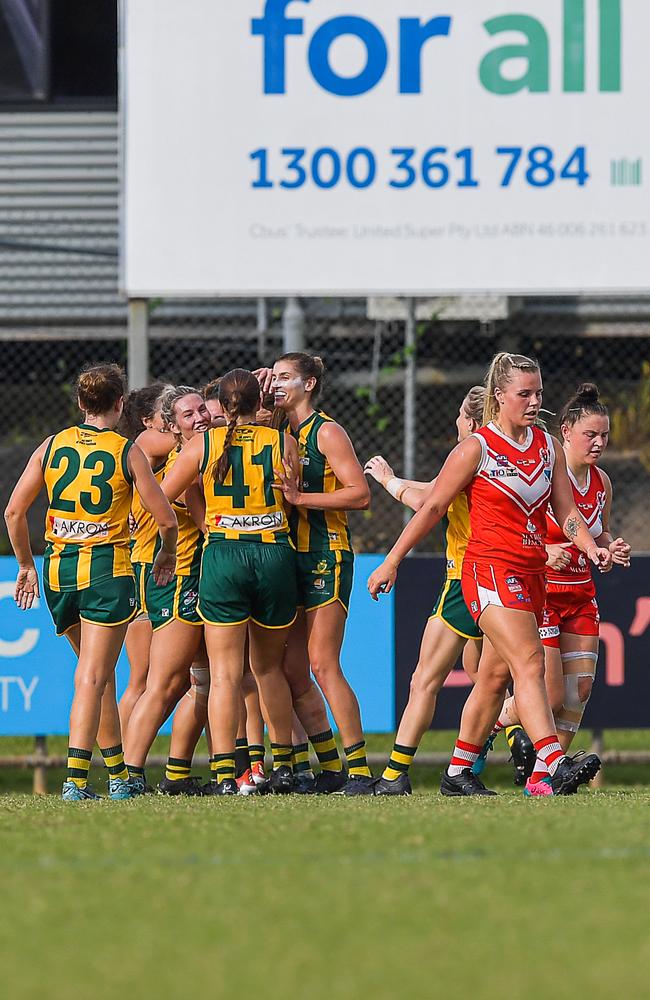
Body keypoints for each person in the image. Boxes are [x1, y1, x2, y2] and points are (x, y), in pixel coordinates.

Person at [368, 352, 610, 797]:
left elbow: (565, 509)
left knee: (496, 679)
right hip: (488, 572)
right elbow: (432, 507)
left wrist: (591, 545)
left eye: (539, 392)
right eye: (524, 393)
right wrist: (391, 560)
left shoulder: (545, 445)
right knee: (530, 663)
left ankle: (457, 772)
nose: (535, 400)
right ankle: (551, 764)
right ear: (499, 396)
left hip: (532, 572)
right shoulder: (475, 448)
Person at [4, 364, 177, 800]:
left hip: (59, 571)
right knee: (94, 675)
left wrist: (25, 564)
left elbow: (13, 512)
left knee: (97, 676)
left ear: (81, 403)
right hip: (106, 571)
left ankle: (118, 774)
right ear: (120, 405)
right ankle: (76, 781)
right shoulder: (126, 451)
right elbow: (166, 518)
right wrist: (167, 551)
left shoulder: (51, 445)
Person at [161, 368, 300, 795]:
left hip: (222, 553)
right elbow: (292, 501)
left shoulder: (204, 443)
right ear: (261, 401)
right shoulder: (283, 441)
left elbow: (164, 493)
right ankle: (284, 768)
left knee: (222, 675)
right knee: (268, 669)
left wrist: (203, 515)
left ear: (221, 402)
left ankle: (227, 775)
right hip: (274, 553)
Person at [490, 383, 631, 768]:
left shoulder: (602, 482)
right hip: (543, 594)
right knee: (551, 695)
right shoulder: (543, 473)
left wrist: (608, 546)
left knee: (580, 689)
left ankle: (546, 773)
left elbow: (597, 528)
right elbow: (515, 526)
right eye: (590, 435)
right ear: (566, 432)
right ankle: (489, 722)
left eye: (604, 435)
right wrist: (542, 550)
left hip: (581, 594)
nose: (599, 442)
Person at [273, 353, 372, 795]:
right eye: (272, 377)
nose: (277, 384)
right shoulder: (279, 432)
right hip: (286, 558)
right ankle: (329, 768)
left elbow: (360, 494)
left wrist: (302, 500)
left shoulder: (327, 431)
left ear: (309, 383)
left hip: (325, 556)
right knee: (292, 669)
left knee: (323, 663)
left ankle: (360, 770)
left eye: (285, 377)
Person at [123, 386, 210, 794]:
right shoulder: (185, 462)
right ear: (172, 427)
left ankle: (175, 775)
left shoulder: (194, 455)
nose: (201, 418)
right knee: (162, 683)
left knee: (196, 682)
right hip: (176, 579)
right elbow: (208, 524)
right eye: (188, 415)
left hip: (182, 577)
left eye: (203, 411)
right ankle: (128, 775)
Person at [118, 382, 173, 733]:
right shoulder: (147, 441)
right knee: (141, 679)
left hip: (163, 565)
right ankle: (119, 768)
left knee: (167, 680)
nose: (173, 415)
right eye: (167, 409)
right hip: (144, 565)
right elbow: (200, 439)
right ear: (146, 419)